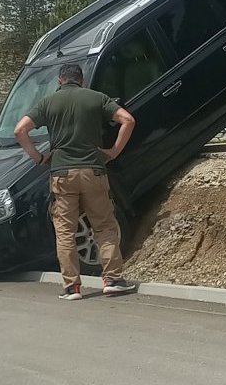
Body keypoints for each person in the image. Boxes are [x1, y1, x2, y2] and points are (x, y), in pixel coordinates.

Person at [14, 63, 137, 300]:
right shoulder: (96, 98)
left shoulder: (47, 102)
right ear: (81, 80)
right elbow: (127, 120)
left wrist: (39, 158)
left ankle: (72, 287)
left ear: (60, 81)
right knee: (104, 227)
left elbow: (20, 130)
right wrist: (113, 152)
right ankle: (113, 280)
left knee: (65, 232)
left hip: (61, 174)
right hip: (93, 170)